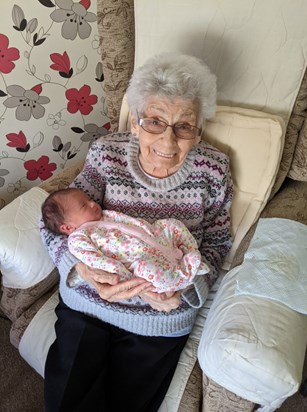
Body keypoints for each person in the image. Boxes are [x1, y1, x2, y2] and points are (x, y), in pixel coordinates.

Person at [40, 52, 233, 412]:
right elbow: (53, 219)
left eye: (185, 126)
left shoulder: (214, 169)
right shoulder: (106, 154)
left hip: (160, 317)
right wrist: (79, 268)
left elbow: (220, 242)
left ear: (199, 130)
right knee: (66, 402)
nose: (168, 142)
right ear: (135, 123)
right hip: (90, 305)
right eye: (155, 122)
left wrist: (186, 291)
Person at [41, 187, 209, 292]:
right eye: (84, 205)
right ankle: (182, 275)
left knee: (171, 225)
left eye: (90, 200)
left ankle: (188, 251)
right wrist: (124, 276)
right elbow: (98, 261)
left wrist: (153, 231)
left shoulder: (105, 216)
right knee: (146, 270)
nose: (93, 203)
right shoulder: (78, 239)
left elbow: (133, 223)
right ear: (68, 228)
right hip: (139, 261)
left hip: (156, 238)